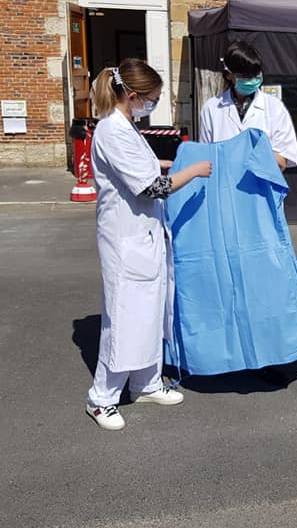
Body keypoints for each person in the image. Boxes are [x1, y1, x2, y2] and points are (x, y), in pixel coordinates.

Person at [86, 58, 212, 431]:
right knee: (123, 318)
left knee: (151, 312)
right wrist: (192, 170)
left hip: (145, 236)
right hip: (125, 239)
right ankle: (102, 398)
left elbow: (143, 166)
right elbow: (149, 187)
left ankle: (146, 383)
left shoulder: (128, 126)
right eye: (153, 98)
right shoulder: (112, 131)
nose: (153, 105)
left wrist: (168, 161)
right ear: (134, 95)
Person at [198, 41, 297, 171]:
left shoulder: (274, 108)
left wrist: (251, 152)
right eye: (246, 76)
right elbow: (205, 158)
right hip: (224, 187)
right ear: (229, 75)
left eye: (256, 74)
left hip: (261, 187)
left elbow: (283, 160)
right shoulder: (212, 109)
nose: (253, 80)